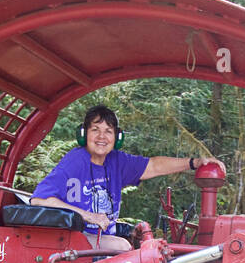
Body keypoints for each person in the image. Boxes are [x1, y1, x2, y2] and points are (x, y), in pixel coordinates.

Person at [29, 105, 224, 252]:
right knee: (122, 247)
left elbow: (154, 165)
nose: (101, 137)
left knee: (147, 246)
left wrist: (194, 163)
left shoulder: (116, 161)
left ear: (117, 138)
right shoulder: (75, 161)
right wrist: (88, 216)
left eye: (108, 131)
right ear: (84, 134)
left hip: (100, 238)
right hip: (72, 240)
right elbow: (39, 199)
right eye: (95, 130)